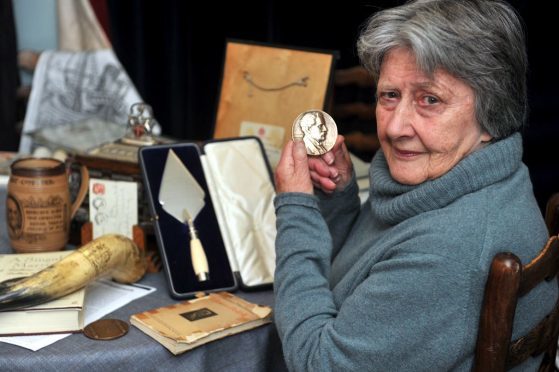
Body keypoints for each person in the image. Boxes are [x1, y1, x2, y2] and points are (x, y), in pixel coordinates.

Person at [273, 0, 557, 370]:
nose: (394, 128)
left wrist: (295, 210)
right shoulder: (451, 182)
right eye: (390, 95)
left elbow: (317, 364)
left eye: (430, 100)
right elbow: (352, 275)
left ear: (491, 114)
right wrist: (337, 197)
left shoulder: (448, 249)